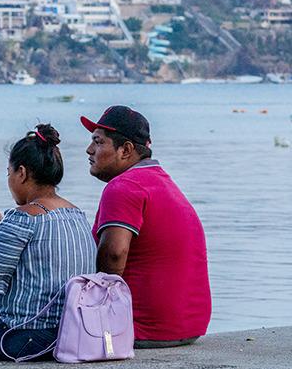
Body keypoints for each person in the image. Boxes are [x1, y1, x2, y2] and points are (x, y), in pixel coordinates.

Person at [0, 124, 96, 361]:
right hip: (71, 333)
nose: (9, 179)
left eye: (9, 173)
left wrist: (3, 235)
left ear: (22, 173)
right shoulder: (77, 215)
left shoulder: (22, 218)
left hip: (25, 334)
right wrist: (0, 232)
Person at [82, 105, 211, 348]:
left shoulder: (123, 187)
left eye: (98, 142)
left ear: (125, 150)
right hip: (189, 327)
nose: (89, 150)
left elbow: (114, 254)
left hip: (144, 329)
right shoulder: (161, 181)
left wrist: (95, 305)